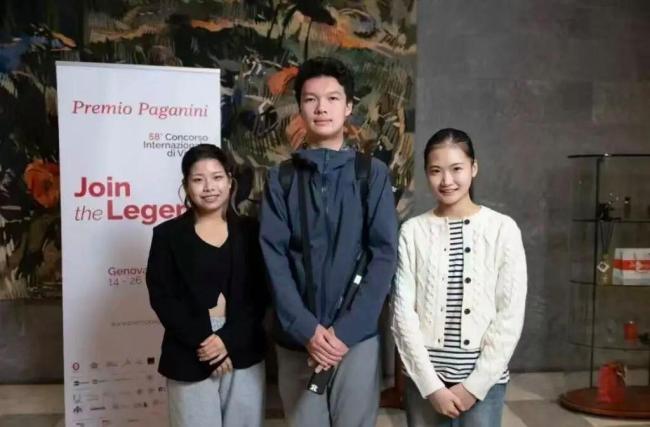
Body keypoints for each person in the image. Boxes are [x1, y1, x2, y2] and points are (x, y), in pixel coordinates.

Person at [259, 56, 398, 426]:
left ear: (348, 106)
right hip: (297, 341)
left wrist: (345, 332)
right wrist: (307, 330)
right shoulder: (281, 179)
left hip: (356, 339)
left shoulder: (371, 174)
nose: (322, 108)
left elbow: (384, 255)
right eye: (311, 99)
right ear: (300, 108)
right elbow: (274, 258)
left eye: (333, 98)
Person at [391, 128, 527, 427]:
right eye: (435, 171)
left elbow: (510, 314)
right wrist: (432, 387)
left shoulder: (502, 230)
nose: (446, 180)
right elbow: (402, 314)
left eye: (456, 169)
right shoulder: (412, 232)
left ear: (473, 168)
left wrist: (474, 387)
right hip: (424, 382)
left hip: (484, 383)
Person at [146, 144, 267, 427]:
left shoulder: (251, 232)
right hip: (189, 351)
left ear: (229, 181)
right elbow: (162, 297)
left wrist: (227, 340)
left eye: (217, 177)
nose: (209, 187)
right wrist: (205, 342)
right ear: (186, 186)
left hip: (244, 347)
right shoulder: (167, 235)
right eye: (198, 179)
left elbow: (261, 295)